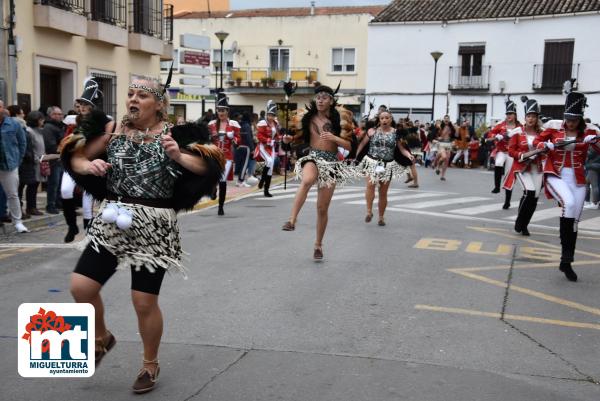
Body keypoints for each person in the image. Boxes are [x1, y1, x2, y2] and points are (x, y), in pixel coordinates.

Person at [62, 77, 223, 393]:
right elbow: (76, 157)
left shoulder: (174, 135)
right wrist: (88, 165)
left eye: (141, 96)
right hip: (113, 219)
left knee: (143, 301)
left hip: (154, 222)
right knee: (81, 286)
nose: (133, 100)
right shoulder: (113, 131)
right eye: (130, 94)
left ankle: (150, 364)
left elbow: (208, 168)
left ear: (159, 104)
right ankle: (101, 337)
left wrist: (178, 156)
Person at [533, 87, 600, 282]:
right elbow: (537, 143)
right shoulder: (553, 127)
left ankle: (566, 261)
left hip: (578, 178)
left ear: (580, 119)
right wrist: (545, 146)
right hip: (556, 174)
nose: (569, 122)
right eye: (568, 118)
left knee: (575, 223)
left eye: (574, 119)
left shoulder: (590, 130)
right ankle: (566, 257)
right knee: (568, 204)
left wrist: (594, 140)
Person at [281, 85, 353, 259]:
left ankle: (318, 245)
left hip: (331, 162)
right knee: (307, 180)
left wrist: (335, 138)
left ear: (331, 100)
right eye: (318, 97)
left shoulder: (340, 120)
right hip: (313, 157)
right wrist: (288, 139)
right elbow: (294, 139)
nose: (320, 100)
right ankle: (291, 220)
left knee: (322, 209)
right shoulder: (306, 118)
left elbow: (350, 146)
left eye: (324, 97)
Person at [62, 78, 112, 242]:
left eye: (87, 104)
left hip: (95, 162)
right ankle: (72, 226)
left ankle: (89, 229)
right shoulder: (73, 121)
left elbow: (107, 140)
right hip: (74, 161)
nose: (82, 107)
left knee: (88, 197)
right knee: (65, 190)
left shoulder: (107, 121)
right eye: (81, 104)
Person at [355, 110, 411, 226]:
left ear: (391, 119)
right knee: (370, 185)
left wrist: (409, 155)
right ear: (379, 120)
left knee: (383, 192)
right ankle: (369, 212)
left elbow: (401, 149)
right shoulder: (372, 131)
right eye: (382, 118)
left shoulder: (396, 133)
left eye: (387, 118)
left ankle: (381, 217)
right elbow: (361, 144)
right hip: (372, 162)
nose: (384, 120)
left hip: (387, 165)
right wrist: (355, 157)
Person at [503, 97, 544, 236]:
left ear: (537, 118)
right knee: (529, 192)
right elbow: (511, 151)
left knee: (535, 198)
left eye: (533, 116)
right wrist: (523, 155)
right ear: (525, 117)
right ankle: (519, 222)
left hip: (537, 169)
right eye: (528, 116)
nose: (531, 119)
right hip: (522, 167)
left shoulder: (542, 132)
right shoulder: (517, 132)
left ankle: (525, 224)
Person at [208, 93, 240, 215]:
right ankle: (212, 189)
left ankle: (220, 207)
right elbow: (206, 139)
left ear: (227, 111)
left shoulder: (233, 124)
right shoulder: (211, 125)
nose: (221, 113)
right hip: (214, 154)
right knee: (212, 176)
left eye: (223, 110)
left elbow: (238, 141)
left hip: (227, 156)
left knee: (222, 179)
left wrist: (232, 138)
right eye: (219, 110)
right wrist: (211, 137)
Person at [0, 100, 29, 232]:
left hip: (9, 164)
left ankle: (17, 222)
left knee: (12, 194)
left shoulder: (13, 123)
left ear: (3, 108)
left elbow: (22, 143)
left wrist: (18, 160)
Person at [488, 99, 521, 209]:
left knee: (509, 177)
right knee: (498, 163)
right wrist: (497, 136)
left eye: (511, 114)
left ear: (515, 115)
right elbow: (490, 134)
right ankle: (497, 186)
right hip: (502, 151)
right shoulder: (501, 125)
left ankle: (507, 201)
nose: (509, 116)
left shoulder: (520, 126)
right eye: (507, 114)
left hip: (512, 154)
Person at [19, 111, 47, 217]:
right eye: (41, 119)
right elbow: (31, 148)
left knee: (34, 186)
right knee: (31, 185)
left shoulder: (40, 131)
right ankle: (30, 207)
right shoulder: (29, 131)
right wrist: (36, 159)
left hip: (40, 161)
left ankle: (32, 207)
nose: (43, 121)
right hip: (33, 162)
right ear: (35, 120)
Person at [42, 106, 66, 214]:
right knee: (53, 183)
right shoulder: (48, 127)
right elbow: (50, 145)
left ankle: (58, 202)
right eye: (58, 114)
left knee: (60, 181)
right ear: (51, 115)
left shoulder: (60, 126)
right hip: (53, 159)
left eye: (61, 114)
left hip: (60, 159)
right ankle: (50, 205)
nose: (61, 116)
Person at [255, 100, 281, 197]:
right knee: (269, 161)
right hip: (263, 146)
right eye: (269, 115)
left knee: (270, 168)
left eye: (273, 115)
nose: (271, 117)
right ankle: (262, 180)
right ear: (267, 114)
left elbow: (277, 135)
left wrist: (281, 138)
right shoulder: (263, 123)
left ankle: (266, 190)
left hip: (272, 148)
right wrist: (269, 141)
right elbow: (259, 136)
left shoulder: (275, 123)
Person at [234, 112, 254, 187]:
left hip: (240, 147)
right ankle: (241, 181)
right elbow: (248, 138)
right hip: (246, 147)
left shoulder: (240, 125)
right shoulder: (247, 126)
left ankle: (239, 180)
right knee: (244, 165)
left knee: (240, 164)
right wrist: (252, 148)